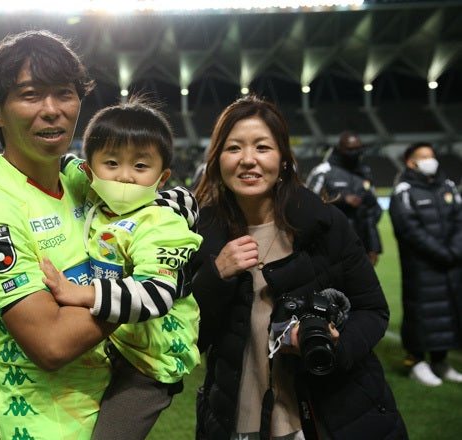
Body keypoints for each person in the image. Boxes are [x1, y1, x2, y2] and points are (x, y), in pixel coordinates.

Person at [187, 95, 407, 440]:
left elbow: (373, 309)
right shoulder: (200, 233)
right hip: (236, 419)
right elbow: (188, 338)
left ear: (284, 159)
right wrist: (217, 275)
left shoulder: (324, 223)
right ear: (216, 161)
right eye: (233, 148)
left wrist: (334, 348)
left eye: (262, 147)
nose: (248, 160)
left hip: (325, 416)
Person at [0, 30, 116, 440]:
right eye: (30, 95)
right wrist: (149, 286)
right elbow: (52, 343)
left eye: (64, 93)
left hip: (114, 415)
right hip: (46, 428)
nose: (52, 110)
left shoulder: (82, 178)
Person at [40, 97, 203, 439]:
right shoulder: (97, 195)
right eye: (112, 163)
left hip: (149, 364)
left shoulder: (161, 223)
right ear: (91, 170)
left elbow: (156, 296)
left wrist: (80, 294)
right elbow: (63, 161)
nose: (125, 176)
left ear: (163, 177)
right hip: (112, 345)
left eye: (141, 166)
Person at [388, 141, 462, 386]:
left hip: (450, 262)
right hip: (422, 267)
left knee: (447, 312)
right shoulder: (404, 192)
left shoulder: (448, 186)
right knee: (422, 312)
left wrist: (454, 249)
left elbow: (459, 221)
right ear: (411, 162)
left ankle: (440, 361)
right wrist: (442, 252)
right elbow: (409, 230)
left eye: (433, 155)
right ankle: (417, 361)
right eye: (425, 157)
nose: (432, 160)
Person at [305, 131, 383, 266]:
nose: (356, 152)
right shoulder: (323, 171)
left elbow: (371, 212)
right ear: (340, 149)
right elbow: (309, 203)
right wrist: (342, 199)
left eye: (359, 149)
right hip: (330, 246)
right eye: (351, 149)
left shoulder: (365, 172)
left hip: (361, 246)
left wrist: (373, 248)